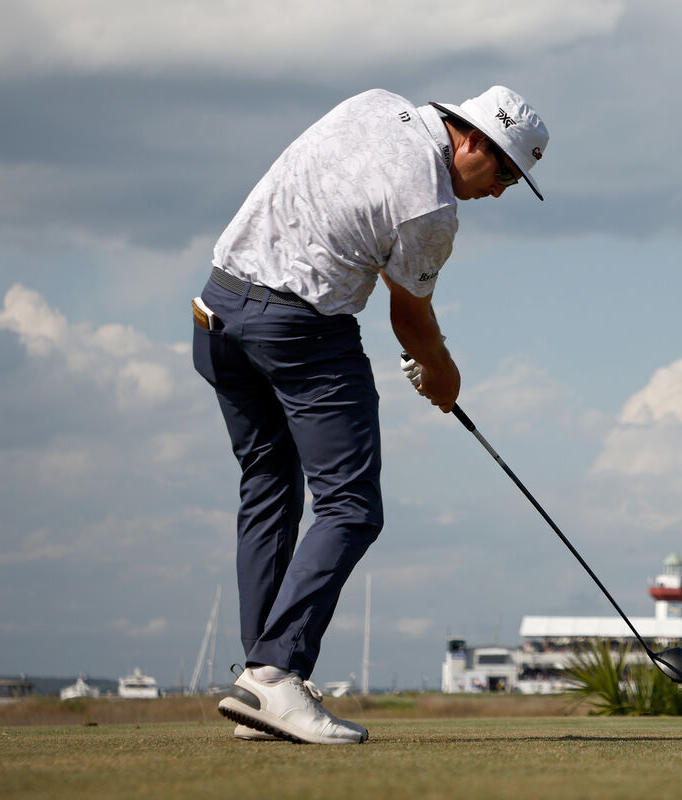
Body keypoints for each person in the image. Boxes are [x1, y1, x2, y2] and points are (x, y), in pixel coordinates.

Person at [191, 85, 549, 744]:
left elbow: (364, 232)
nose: (500, 190)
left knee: (269, 491)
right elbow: (409, 316)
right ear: (468, 137)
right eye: (502, 171)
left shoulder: (374, 103)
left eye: (515, 181)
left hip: (217, 310)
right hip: (298, 329)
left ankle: (258, 688)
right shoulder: (435, 212)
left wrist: (426, 349)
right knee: (351, 505)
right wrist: (444, 376)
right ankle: (275, 675)